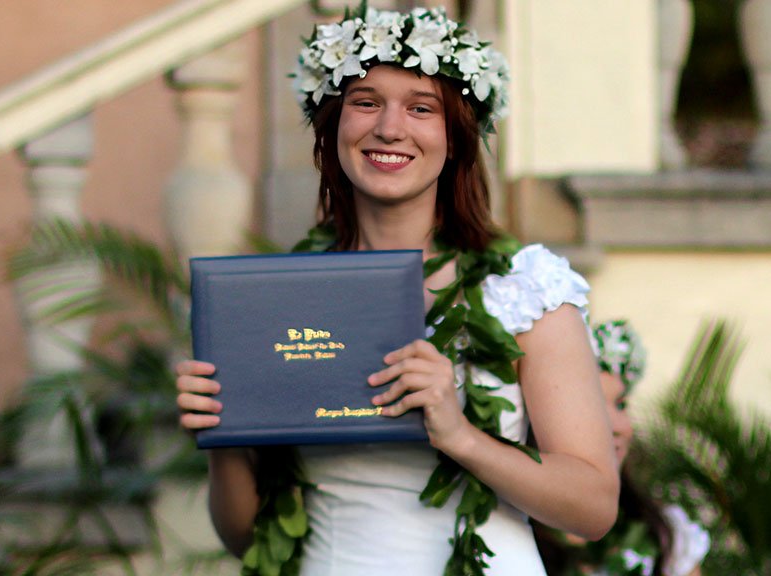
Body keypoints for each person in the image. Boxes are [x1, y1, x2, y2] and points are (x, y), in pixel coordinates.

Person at [176, 5, 619, 575]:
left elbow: (593, 507)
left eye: (420, 107)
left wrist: (459, 434)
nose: (389, 128)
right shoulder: (277, 298)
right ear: (334, 123)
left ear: (456, 136)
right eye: (365, 102)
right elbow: (246, 538)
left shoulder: (525, 289)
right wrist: (223, 434)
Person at [534, 319, 711, 576]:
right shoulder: (504, 534)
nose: (618, 426)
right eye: (592, 405)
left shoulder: (665, 535)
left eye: (620, 404)